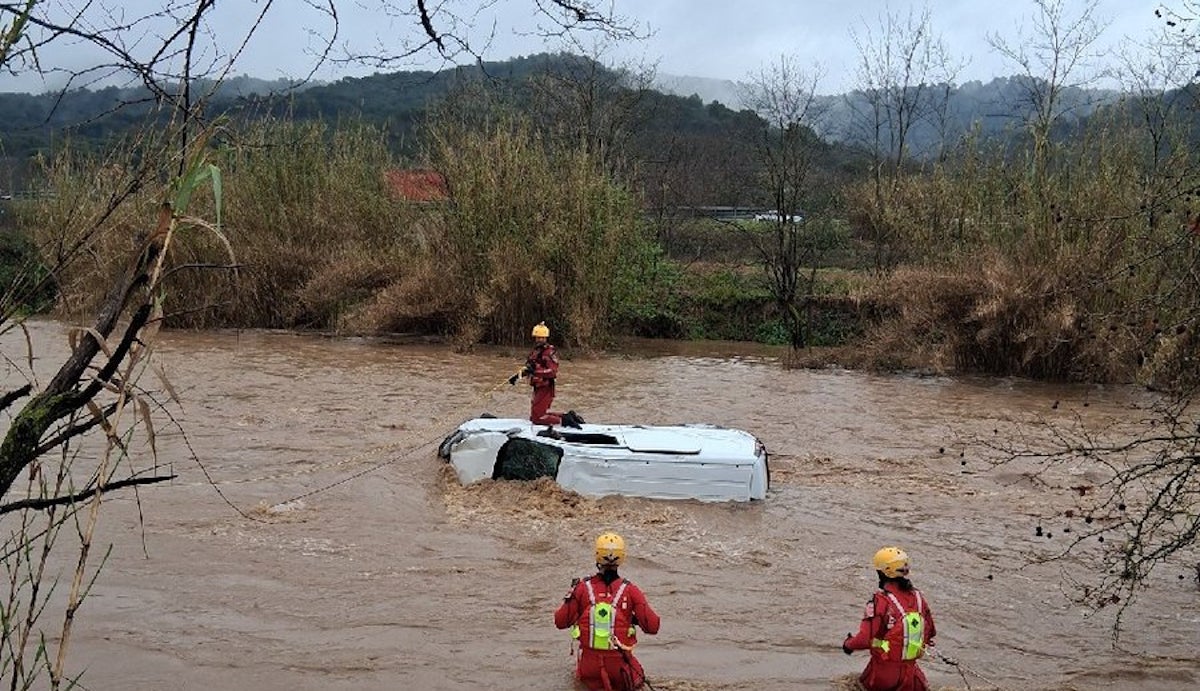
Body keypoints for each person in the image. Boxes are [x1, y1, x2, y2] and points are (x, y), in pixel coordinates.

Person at [555, 532, 660, 691]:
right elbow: (653, 627)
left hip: (588, 669)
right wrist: (633, 618)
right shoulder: (631, 590)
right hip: (619, 669)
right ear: (622, 557)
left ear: (597, 556)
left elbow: (560, 622)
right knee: (638, 677)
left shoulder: (581, 588)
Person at [842, 547, 937, 691]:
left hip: (883, 674)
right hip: (912, 676)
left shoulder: (880, 601)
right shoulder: (919, 598)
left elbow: (865, 639)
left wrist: (848, 645)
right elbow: (930, 632)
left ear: (882, 572)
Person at [509, 321, 584, 428]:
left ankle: (564, 421)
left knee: (538, 418)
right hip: (537, 386)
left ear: (545, 338)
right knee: (535, 416)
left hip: (546, 386)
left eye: (541, 338)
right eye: (537, 337)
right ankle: (566, 416)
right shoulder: (535, 352)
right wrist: (517, 376)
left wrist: (535, 372)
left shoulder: (549, 352)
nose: (539, 340)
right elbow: (529, 368)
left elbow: (552, 372)